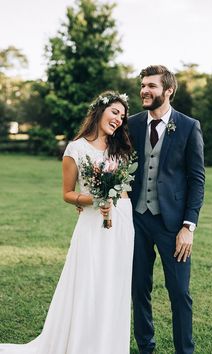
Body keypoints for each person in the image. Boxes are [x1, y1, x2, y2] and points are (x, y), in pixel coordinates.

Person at [0, 91, 135, 354]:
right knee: (88, 281)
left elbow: (125, 191)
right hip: (91, 224)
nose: (119, 119)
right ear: (99, 111)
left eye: (122, 116)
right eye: (114, 112)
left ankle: (109, 345)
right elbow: (67, 194)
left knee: (114, 285)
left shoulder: (121, 149)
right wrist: (94, 199)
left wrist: (116, 205)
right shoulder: (76, 148)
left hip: (121, 221)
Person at [128, 65, 205, 354]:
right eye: (143, 85)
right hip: (136, 220)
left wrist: (188, 226)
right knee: (139, 289)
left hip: (173, 225)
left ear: (168, 91)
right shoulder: (132, 123)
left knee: (179, 293)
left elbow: (197, 180)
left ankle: (184, 351)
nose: (144, 90)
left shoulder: (188, 126)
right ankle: (145, 347)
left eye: (151, 86)